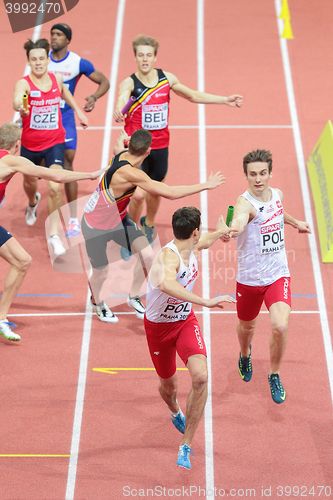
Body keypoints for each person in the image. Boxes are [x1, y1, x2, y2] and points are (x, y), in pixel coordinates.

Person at [113, 34, 243, 257]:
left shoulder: (166, 79)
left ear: (155, 58)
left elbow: (192, 95)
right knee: (138, 195)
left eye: (149, 55)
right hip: (136, 149)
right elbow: (122, 98)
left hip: (160, 145)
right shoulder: (129, 83)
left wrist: (224, 100)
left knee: (156, 191)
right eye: (140, 55)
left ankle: (149, 223)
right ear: (135, 57)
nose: (145, 59)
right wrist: (118, 109)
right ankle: (130, 233)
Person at [81, 129, 225, 323]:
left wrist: (124, 138)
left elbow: (118, 144)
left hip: (118, 220)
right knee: (101, 271)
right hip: (95, 227)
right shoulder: (130, 173)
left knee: (148, 256)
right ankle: (97, 302)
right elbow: (170, 192)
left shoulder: (121, 153)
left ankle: (133, 297)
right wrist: (206, 185)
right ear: (148, 151)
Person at [144, 206, 235, 470]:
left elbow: (204, 242)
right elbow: (166, 284)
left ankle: (186, 444)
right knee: (168, 387)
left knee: (201, 376)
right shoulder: (168, 258)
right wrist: (204, 301)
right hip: (159, 329)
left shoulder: (191, 245)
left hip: (184, 322)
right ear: (193, 232)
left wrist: (220, 231)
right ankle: (174, 410)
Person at [0, 122, 102, 341]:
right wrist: (91, 175)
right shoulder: (11, 160)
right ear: (17, 144)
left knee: (22, 261)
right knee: (21, 261)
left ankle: (1, 319)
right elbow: (55, 176)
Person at [224, 149, 311, 404]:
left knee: (280, 325)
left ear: (270, 173)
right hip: (250, 279)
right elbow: (240, 220)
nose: (258, 179)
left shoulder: (278, 194)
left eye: (262, 173)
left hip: (277, 274)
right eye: (253, 174)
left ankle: (273, 373)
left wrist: (296, 223)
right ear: (246, 176)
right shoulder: (244, 204)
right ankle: (244, 354)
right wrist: (234, 228)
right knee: (247, 327)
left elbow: (277, 212)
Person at [13, 38, 89, 258]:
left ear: (47, 60)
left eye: (41, 58)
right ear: (29, 61)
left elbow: (66, 93)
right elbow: (18, 100)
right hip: (30, 146)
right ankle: (32, 202)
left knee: (55, 186)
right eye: (33, 59)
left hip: (54, 142)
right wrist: (21, 105)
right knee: (29, 183)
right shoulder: (24, 83)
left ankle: (54, 235)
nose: (38, 63)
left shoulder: (56, 79)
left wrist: (79, 113)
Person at [49, 23, 110, 237]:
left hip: (65, 117)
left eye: (58, 35)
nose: (53, 38)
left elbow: (104, 81)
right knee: (38, 164)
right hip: (42, 117)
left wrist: (94, 97)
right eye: (52, 34)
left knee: (68, 160)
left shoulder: (77, 63)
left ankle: (73, 219)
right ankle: (34, 200)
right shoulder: (41, 59)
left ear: (67, 40)